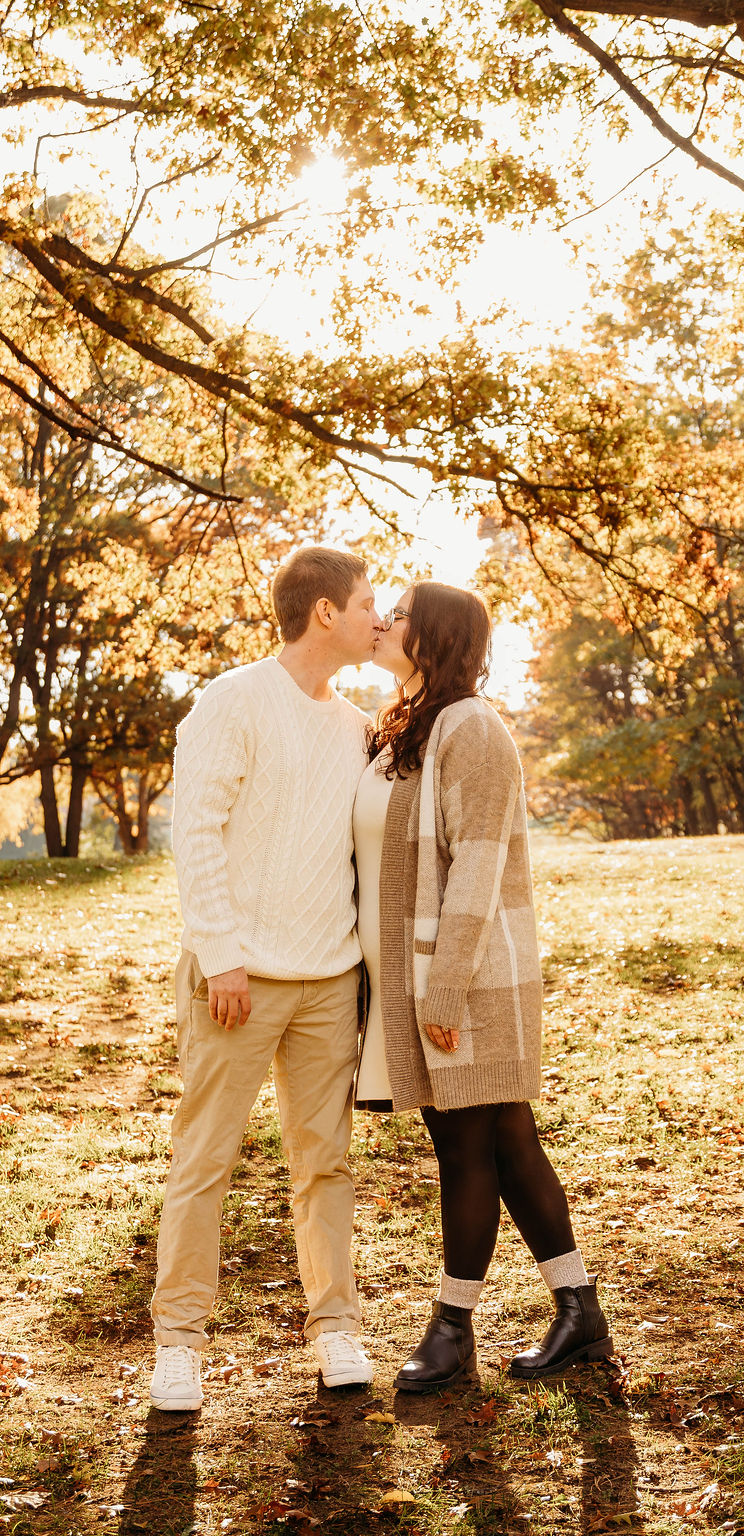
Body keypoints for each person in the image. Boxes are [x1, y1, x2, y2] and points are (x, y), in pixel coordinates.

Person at [353, 580, 613, 1392]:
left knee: (467, 1147)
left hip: (468, 980)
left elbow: (477, 863)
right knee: (507, 1143)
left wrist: (446, 987)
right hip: (420, 975)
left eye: (399, 614)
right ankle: (579, 1311)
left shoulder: (472, 726)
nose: (384, 621)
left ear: (433, 635)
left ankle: (451, 1328)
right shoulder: (407, 727)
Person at [148, 546, 381, 1412]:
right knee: (204, 1159)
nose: (377, 619)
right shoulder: (233, 699)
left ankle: (336, 1329)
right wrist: (221, 955)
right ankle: (178, 1345)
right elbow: (197, 831)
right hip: (237, 980)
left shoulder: (358, 727)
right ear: (325, 612)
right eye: (367, 604)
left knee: (325, 1165)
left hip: (330, 980)